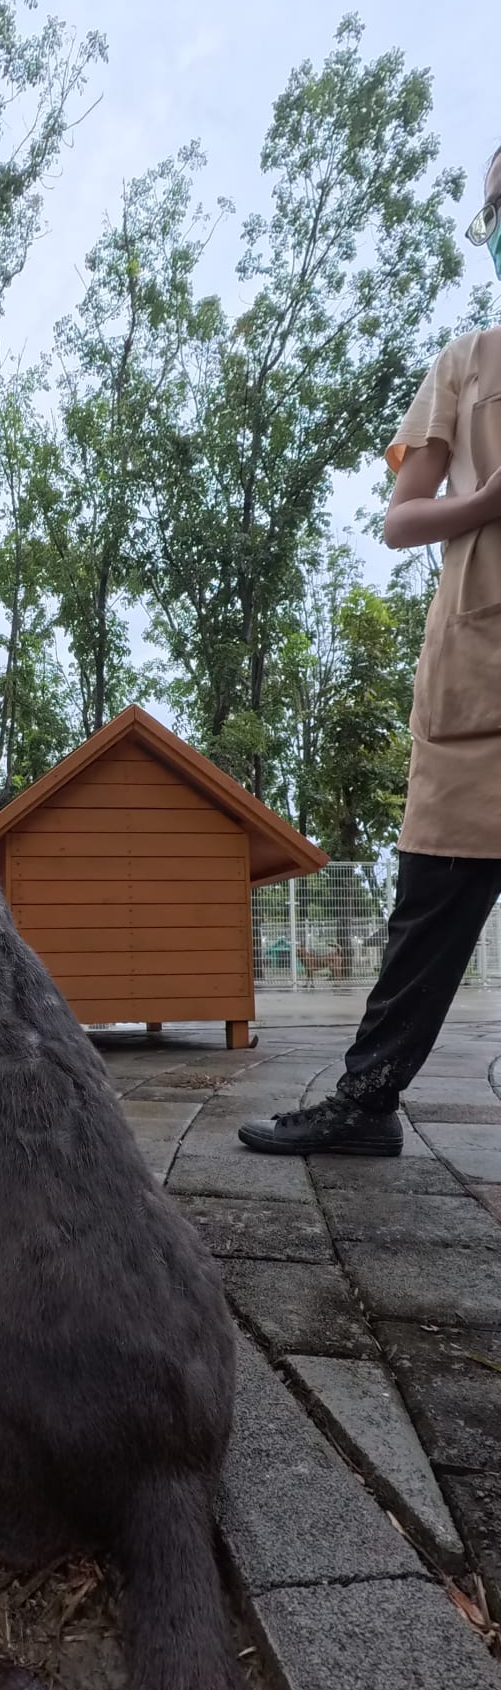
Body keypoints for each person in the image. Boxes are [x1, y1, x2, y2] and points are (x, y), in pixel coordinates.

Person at [242, 143, 501, 1158]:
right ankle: (366, 1103)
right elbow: (401, 519)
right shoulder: (466, 364)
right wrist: (486, 502)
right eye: (493, 209)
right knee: (430, 909)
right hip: (475, 687)